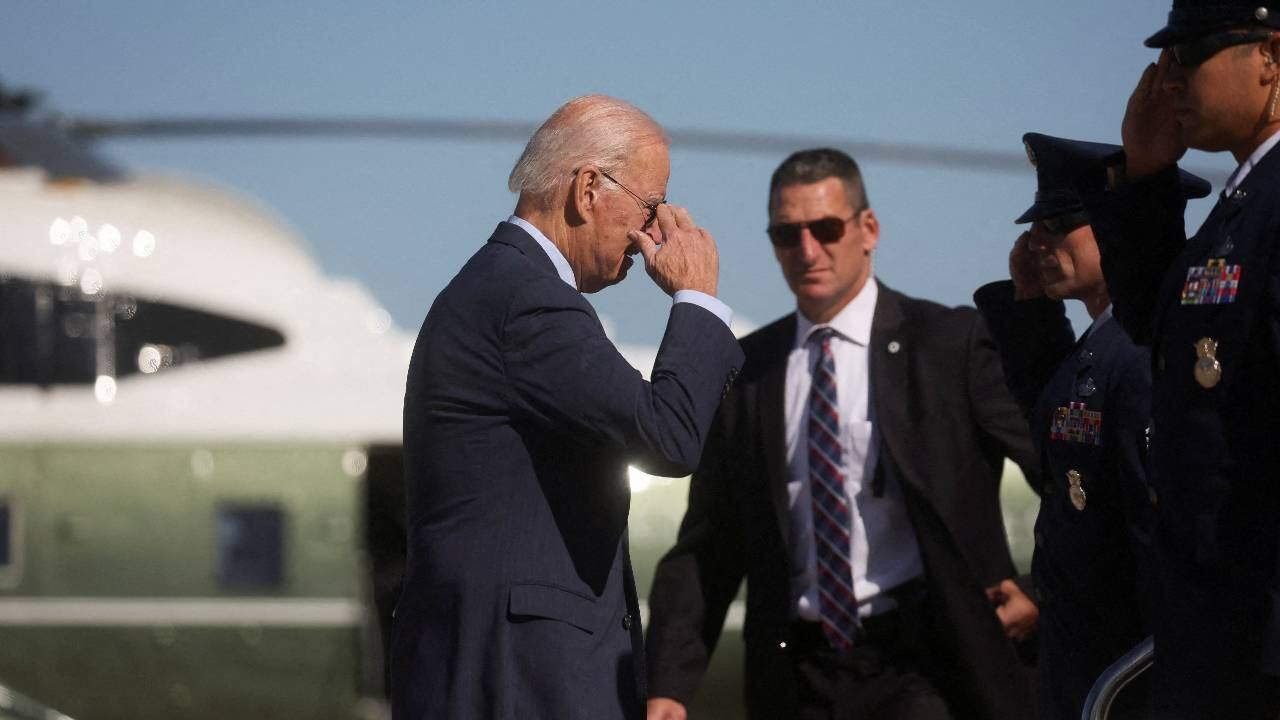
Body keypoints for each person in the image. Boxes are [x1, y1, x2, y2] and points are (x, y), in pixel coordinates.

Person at [645, 148, 1042, 720]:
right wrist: (669, 685)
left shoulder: (950, 345)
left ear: (868, 229)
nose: (807, 250)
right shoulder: (747, 371)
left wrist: (1041, 588)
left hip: (925, 663)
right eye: (787, 234)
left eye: (826, 228)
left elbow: (1067, 472)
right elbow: (709, 546)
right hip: (797, 674)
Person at [392, 95, 744, 720]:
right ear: (588, 189)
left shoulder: (500, 287)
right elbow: (668, 434)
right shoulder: (528, 301)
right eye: (650, 206)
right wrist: (696, 301)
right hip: (521, 679)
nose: (652, 235)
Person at [1066, 2, 1280, 715]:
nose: (1169, 81)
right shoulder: (1243, 203)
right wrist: (1149, 177)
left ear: (1272, 56)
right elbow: (1166, 333)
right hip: (1216, 623)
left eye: (1191, 56)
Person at [974, 132, 1210, 720]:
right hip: (1088, 668)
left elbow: (1162, 549)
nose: (1036, 240)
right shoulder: (1103, 346)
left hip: (1130, 677)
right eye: (1038, 222)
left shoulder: (1142, 352)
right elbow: (1060, 437)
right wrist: (1028, 308)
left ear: (1118, 223)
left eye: (1060, 221)